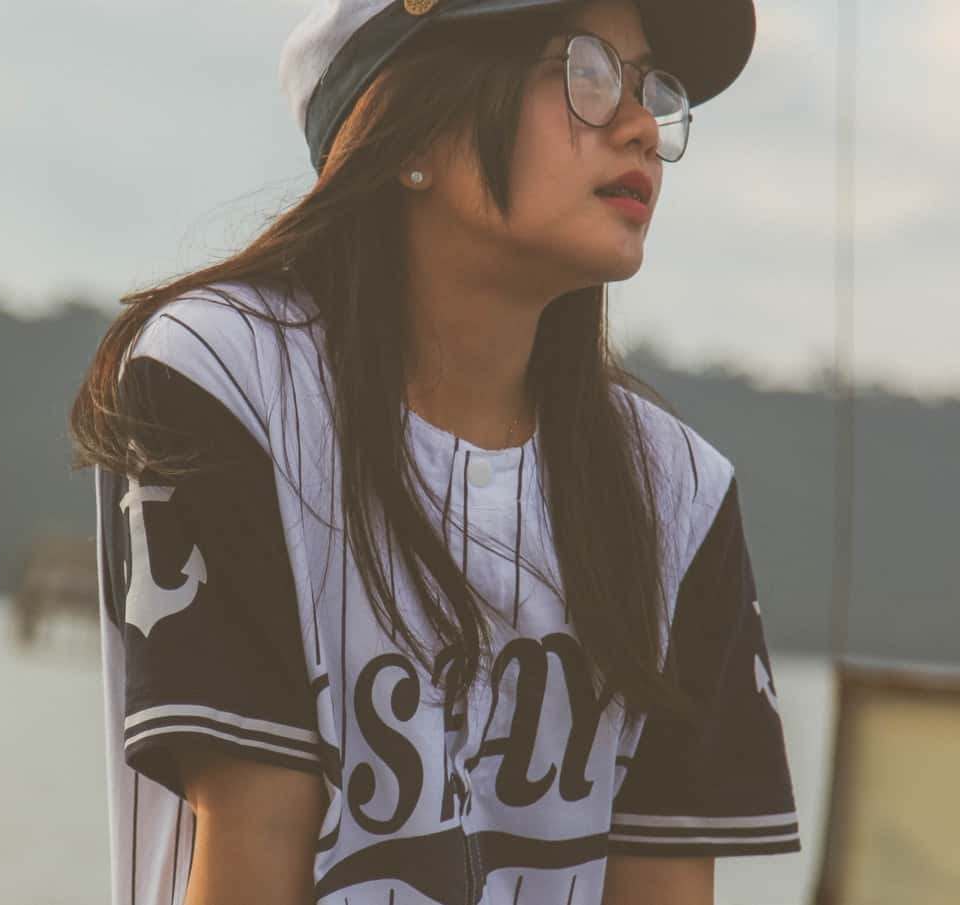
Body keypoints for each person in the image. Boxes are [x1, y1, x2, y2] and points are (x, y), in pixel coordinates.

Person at [69, 0, 800, 902]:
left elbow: (663, 887)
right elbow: (253, 848)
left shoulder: (679, 492)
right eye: (589, 72)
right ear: (411, 120)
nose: (644, 126)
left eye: (652, 87)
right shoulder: (224, 379)